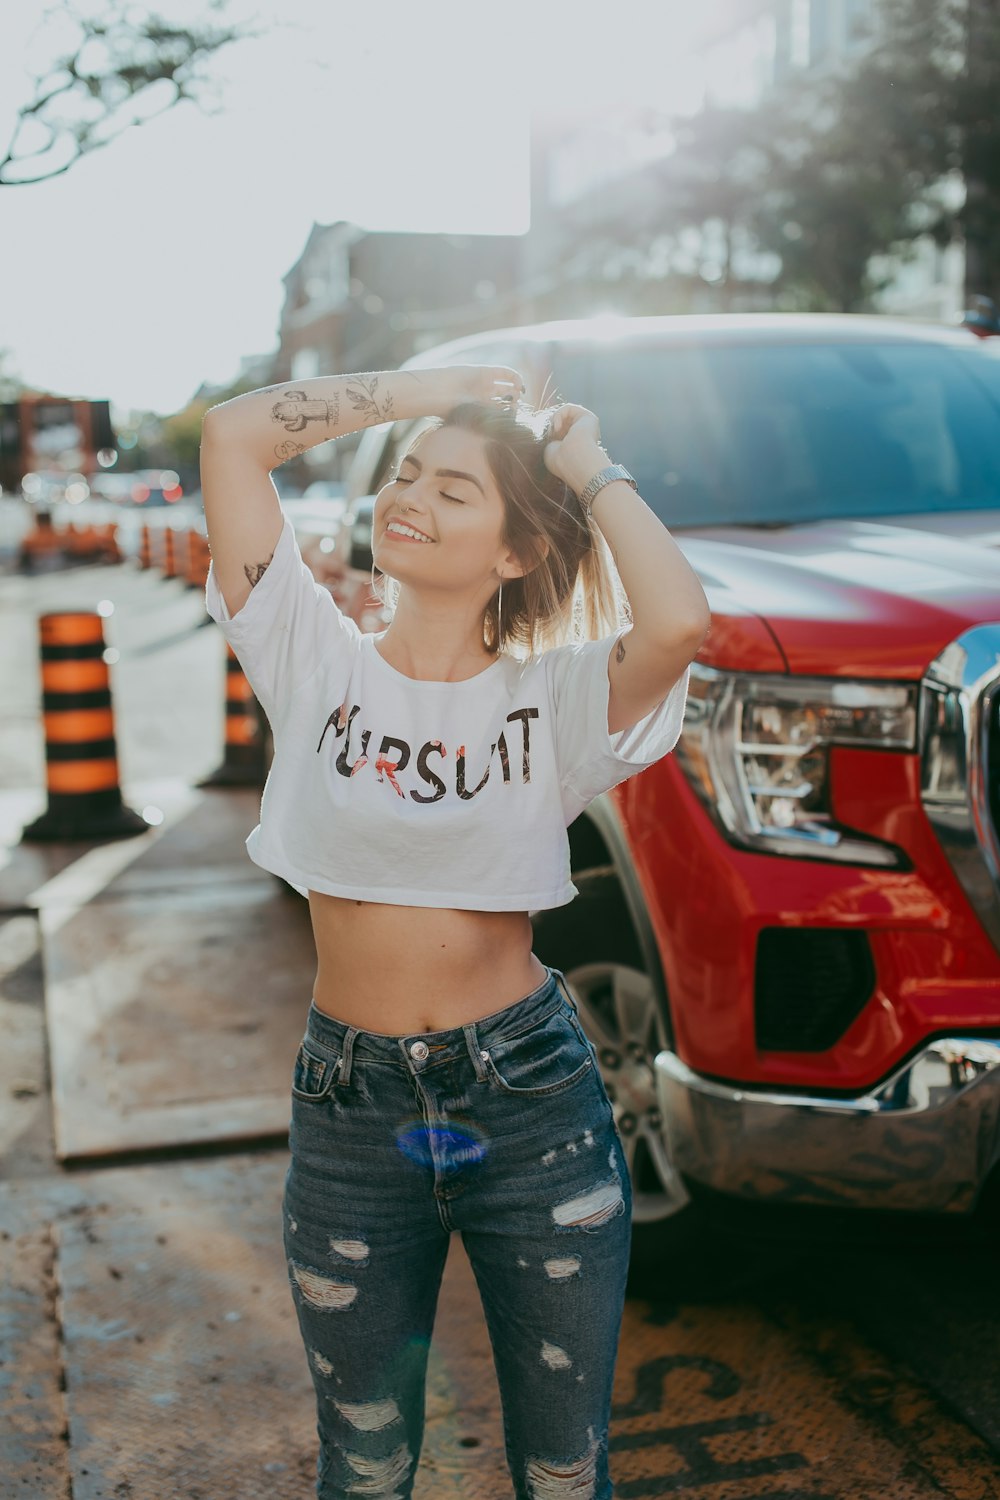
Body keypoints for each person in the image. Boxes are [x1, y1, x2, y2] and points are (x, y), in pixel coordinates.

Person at [200, 364, 711, 1500]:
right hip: (350, 1113)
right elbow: (235, 439)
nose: (409, 495)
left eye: (454, 487)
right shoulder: (309, 654)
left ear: (517, 552)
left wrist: (588, 464)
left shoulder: (556, 699)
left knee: (562, 1471)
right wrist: (428, 392)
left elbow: (678, 621)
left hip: (529, 1103)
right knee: (367, 1467)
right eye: (404, 474)